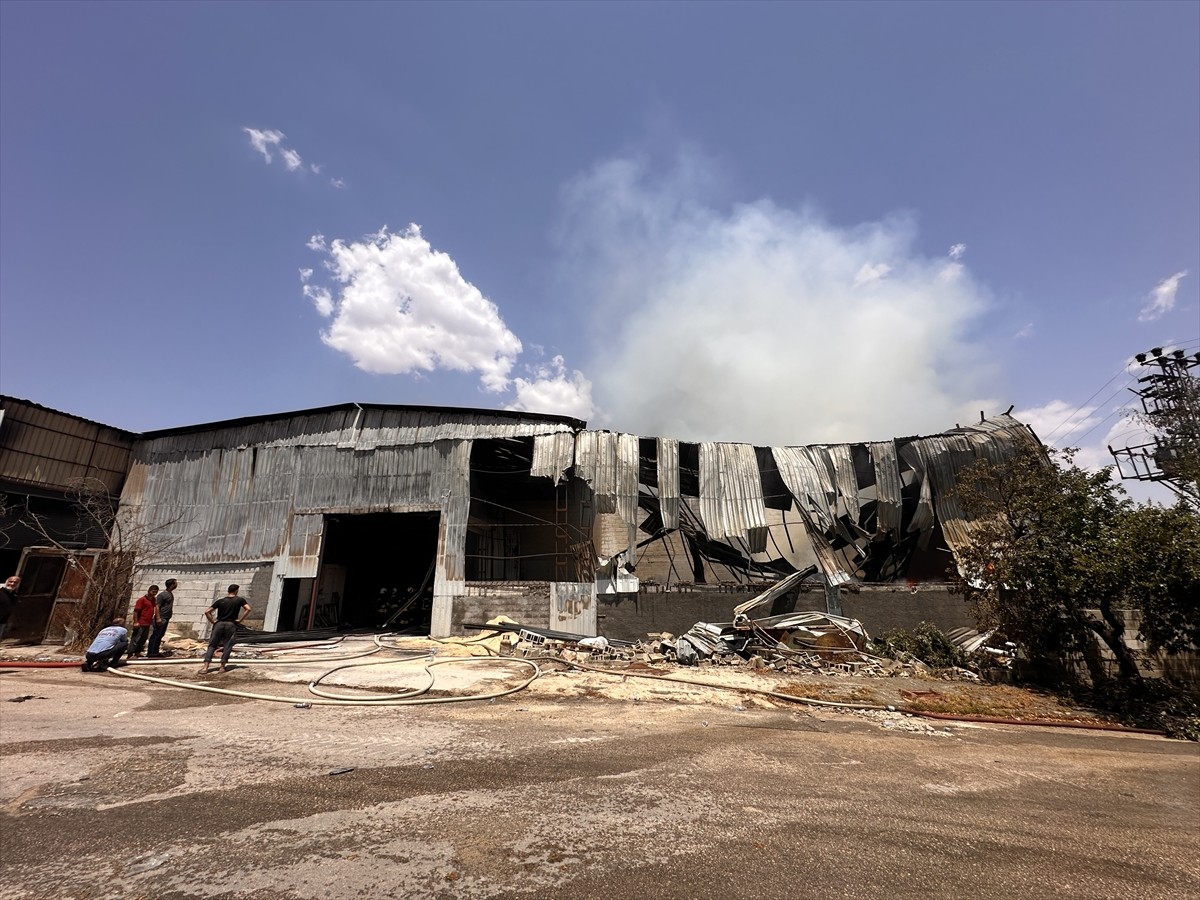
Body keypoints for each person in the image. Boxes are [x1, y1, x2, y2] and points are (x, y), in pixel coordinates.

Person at [199, 584, 250, 675]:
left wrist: (213, 621)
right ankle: (222, 667)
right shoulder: (239, 600)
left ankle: (205, 667)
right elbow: (248, 609)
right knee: (228, 645)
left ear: (228, 591)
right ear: (236, 591)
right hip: (231, 624)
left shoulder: (220, 601)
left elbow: (207, 611)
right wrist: (240, 620)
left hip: (219, 624)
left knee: (212, 645)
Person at [147, 578, 176, 658]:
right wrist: (158, 618)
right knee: (156, 635)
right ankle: (151, 652)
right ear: (172, 585)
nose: (176, 585)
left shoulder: (170, 594)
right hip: (161, 618)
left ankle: (155, 652)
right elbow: (157, 607)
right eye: (175, 583)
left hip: (166, 618)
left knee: (160, 635)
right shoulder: (162, 595)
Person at [127, 585, 158, 658]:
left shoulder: (153, 600)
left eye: (156, 592)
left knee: (143, 639)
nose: (154, 593)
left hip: (147, 623)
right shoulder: (142, 600)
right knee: (135, 638)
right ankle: (130, 653)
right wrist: (136, 622)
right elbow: (136, 611)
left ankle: (138, 652)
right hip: (140, 622)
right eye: (153, 592)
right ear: (149, 591)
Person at [0, 575, 20, 641]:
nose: (12, 584)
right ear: (6, 581)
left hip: (3, 621)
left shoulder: (14, 595)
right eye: (10, 581)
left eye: (15, 582)